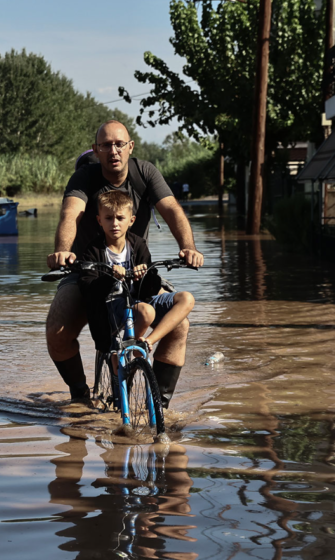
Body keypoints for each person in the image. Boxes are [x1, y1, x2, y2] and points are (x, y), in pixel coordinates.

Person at [46, 119, 204, 406]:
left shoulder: (145, 172)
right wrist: (63, 251)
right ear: (96, 150)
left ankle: (160, 407)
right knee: (57, 330)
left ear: (130, 147)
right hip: (90, 272)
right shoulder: (85, 178)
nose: (113, 151)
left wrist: (188, 248)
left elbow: (171, 209)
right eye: (106, 145)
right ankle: (81, 396)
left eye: (119, 144)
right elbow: (71, 214)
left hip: (134, 272)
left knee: (180, 325)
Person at [79, 192, 195, 406]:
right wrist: (109, 276)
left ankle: (147, 342)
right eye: (108, 218)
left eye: (120, 218)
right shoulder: (94, 250)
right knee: (146, 312)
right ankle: (126, 351)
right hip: (109, 307)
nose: (114, 223)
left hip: (137, 300)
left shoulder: (138, 244)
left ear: (131, 220)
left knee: (186, 298)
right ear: (99, 220)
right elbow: (88, 288)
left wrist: (146, 274)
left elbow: (148, 290)